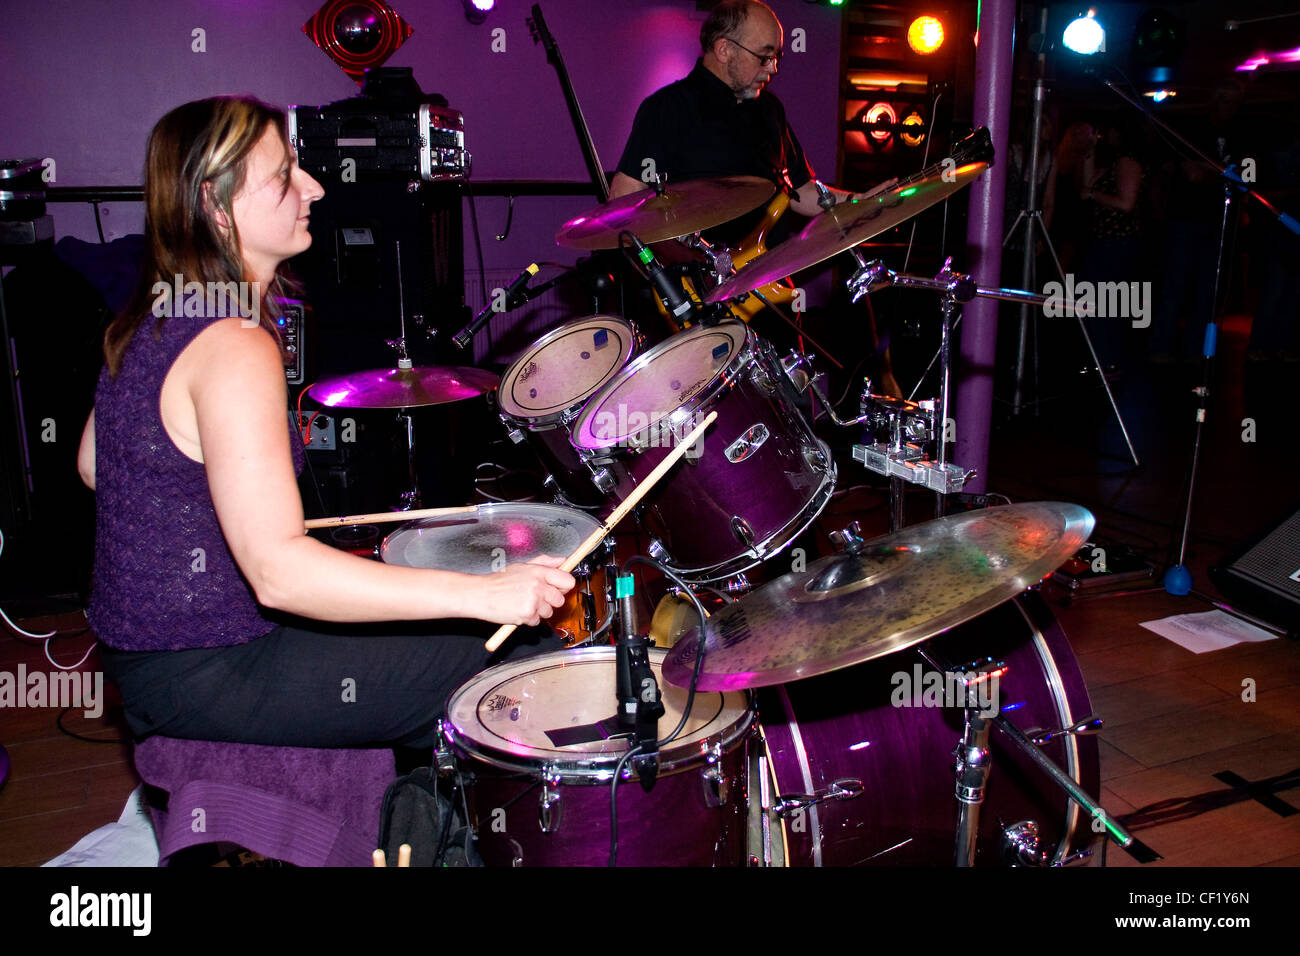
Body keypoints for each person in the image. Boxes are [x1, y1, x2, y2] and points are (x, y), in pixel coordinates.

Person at [76, 96, 575, 754]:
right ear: (216, 205)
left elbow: (91, 462)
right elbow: (279, 575)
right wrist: (483, 594)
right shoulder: (233, 341)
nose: (312, 186)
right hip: (207, 667)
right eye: (284, 175)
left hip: (146, 655)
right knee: (521, 655)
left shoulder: (160, 312)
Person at [611, 0, 874, 234]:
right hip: (698, 281)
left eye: (776, 56)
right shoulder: (667, 108)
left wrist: (859, 202)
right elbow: (625, 195)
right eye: (764, 56)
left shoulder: (770, 109)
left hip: (765, 277)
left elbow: (801, 191)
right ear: (724, 50)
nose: (773, 68)